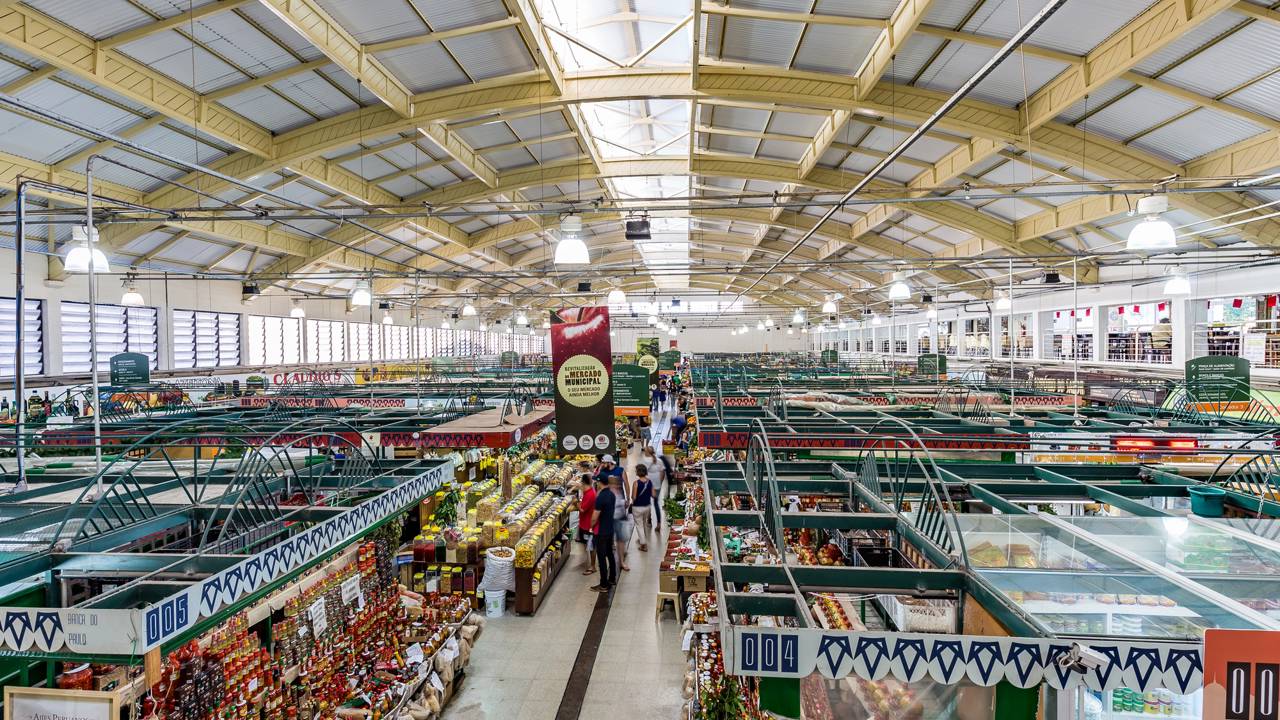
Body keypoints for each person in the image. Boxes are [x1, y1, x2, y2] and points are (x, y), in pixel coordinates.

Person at [590, 475, 617, 593]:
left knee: (601, 558)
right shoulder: (611, 494)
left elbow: (595, 516)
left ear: (600, 483)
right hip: (610, 529)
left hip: (600, 531)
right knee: (610, 554)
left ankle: (604, 585)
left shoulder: (601, 497)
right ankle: (612, 578)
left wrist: (590, 526)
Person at [609, 472, 633, 572]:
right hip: (609, 520)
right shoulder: (607, 493)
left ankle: (621, 561)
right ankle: (612, 563)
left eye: (617, 484)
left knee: (621, 541)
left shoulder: (619, 493)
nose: (617, 485)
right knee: (610, 543)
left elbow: (624, 506)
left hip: (620, 520)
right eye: (614, 484)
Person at [631, 464, 657, 551]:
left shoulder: (636, 483)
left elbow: (634, 497)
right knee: (644, 523)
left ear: (638, 472)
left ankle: (643, 544)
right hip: (647, 506)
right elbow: (653, 495)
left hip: (638, 507)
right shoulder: (649, 482)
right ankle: (642, 539)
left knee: (639, 525)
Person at [577, 475, 597, 576]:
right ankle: (588, 562)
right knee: (587, 544)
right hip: (584, 523)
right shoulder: (589, 491)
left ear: (584, 482)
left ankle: (592, 566)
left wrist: (576, 503)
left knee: (591, 546)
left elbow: (582, 510)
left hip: (588, 525)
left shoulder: (590, 494)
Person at [640, 446, 665, 528]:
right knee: (656, 504)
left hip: (648, 485)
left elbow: (642, 474)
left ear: (647, 452)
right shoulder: (659, 461)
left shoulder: (644, 461)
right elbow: (662, 473)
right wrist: (660, 483)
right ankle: (658, 523)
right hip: (657, 485)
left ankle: (649, 519)